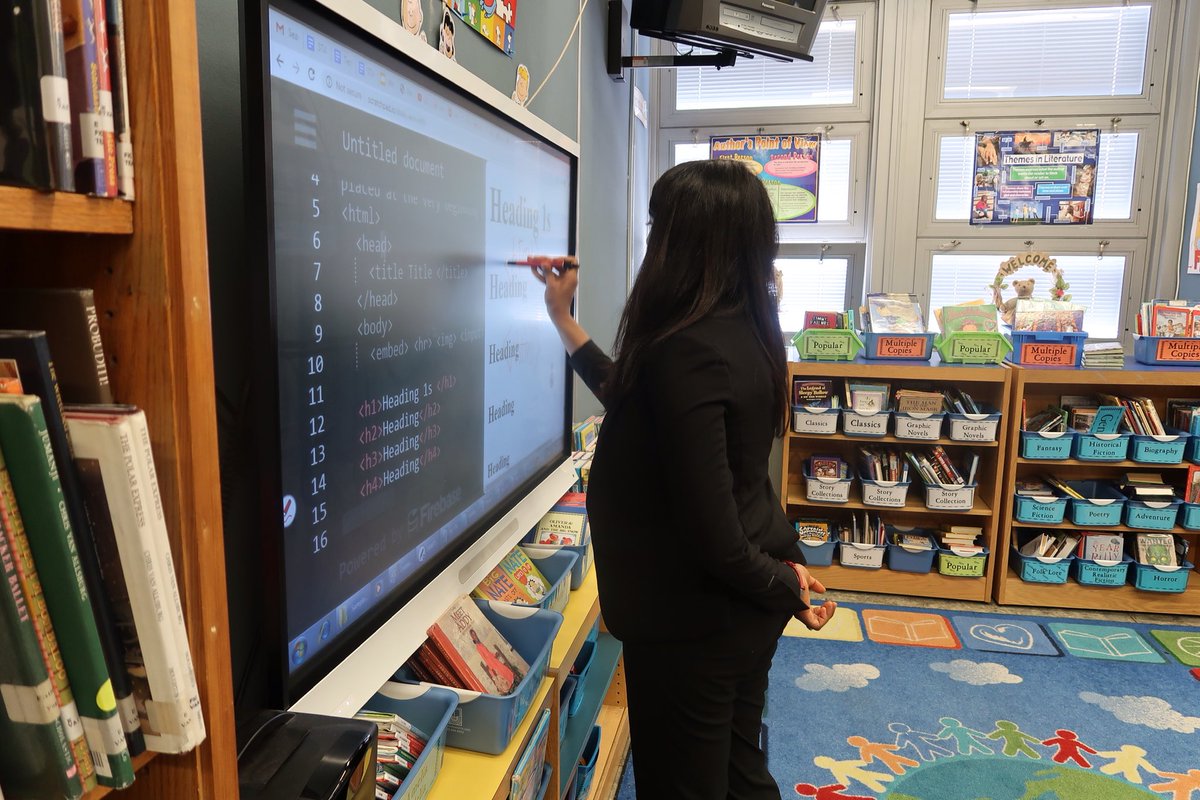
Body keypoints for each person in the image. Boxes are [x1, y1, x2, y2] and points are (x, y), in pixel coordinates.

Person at [528, 159, 836, 800]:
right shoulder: (742, 329)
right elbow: (638, 401)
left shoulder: (686, 348)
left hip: (698, 618)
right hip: (736, 605)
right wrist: (564, 320)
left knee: (686, 784)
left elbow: (712, 534)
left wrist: (783, 583)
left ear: (684, 244)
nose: (651, 244)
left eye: (658, 227)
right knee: (736, 771)